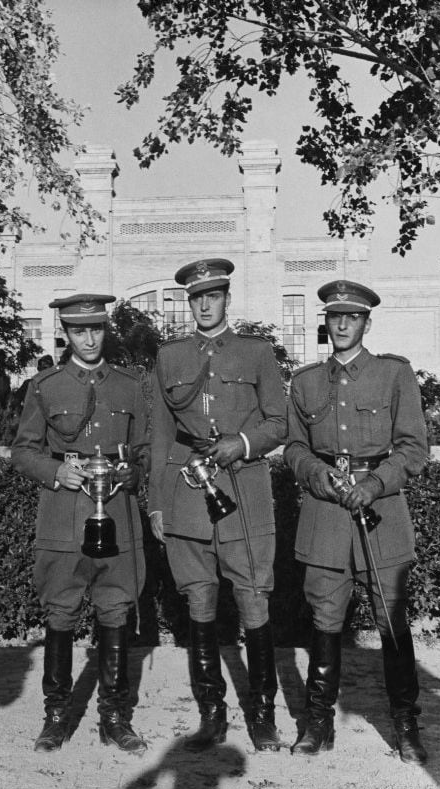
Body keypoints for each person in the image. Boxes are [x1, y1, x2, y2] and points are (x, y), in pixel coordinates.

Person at [284, 279, 428, 764]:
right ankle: (318, 722)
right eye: (334, 316)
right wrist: (313, 473)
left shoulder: (394, 375)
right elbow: (295, 447)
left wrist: (375, 483)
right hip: (325, 513)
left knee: (391, 620)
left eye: (353, 316)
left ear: (367, 322)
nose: (343, 323)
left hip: (379, 510)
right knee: (324, 618)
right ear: (324, 322)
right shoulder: (304, 381)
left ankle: (406, 725)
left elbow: (413, 447)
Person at [149, 258, 287, 752]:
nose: (205, 304)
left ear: (228, 297)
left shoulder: (256, 353)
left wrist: (244, 443)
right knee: (199, 603)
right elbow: (161, 434)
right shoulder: (170, 357)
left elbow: (279, 422)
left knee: (254, 601)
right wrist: (157, 504)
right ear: (189, 302)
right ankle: (212, 713)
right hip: (187, 491)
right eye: (196, 297)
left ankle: (264, 714)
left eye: (213, 295)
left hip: (243, 490)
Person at [11, 294, 150, 754]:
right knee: (61, 610)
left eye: (96, 329)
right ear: (65, 333)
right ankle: (56, 716)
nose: (89, 338)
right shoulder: (45, 385)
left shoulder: (130, 385)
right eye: (79, 330)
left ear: (104, 330)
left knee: (116, 609)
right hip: (64, 510)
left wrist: (134, 471)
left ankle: (114, 715)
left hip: (116, 508)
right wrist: (55, 472)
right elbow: (23, 451)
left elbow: (144, 449)